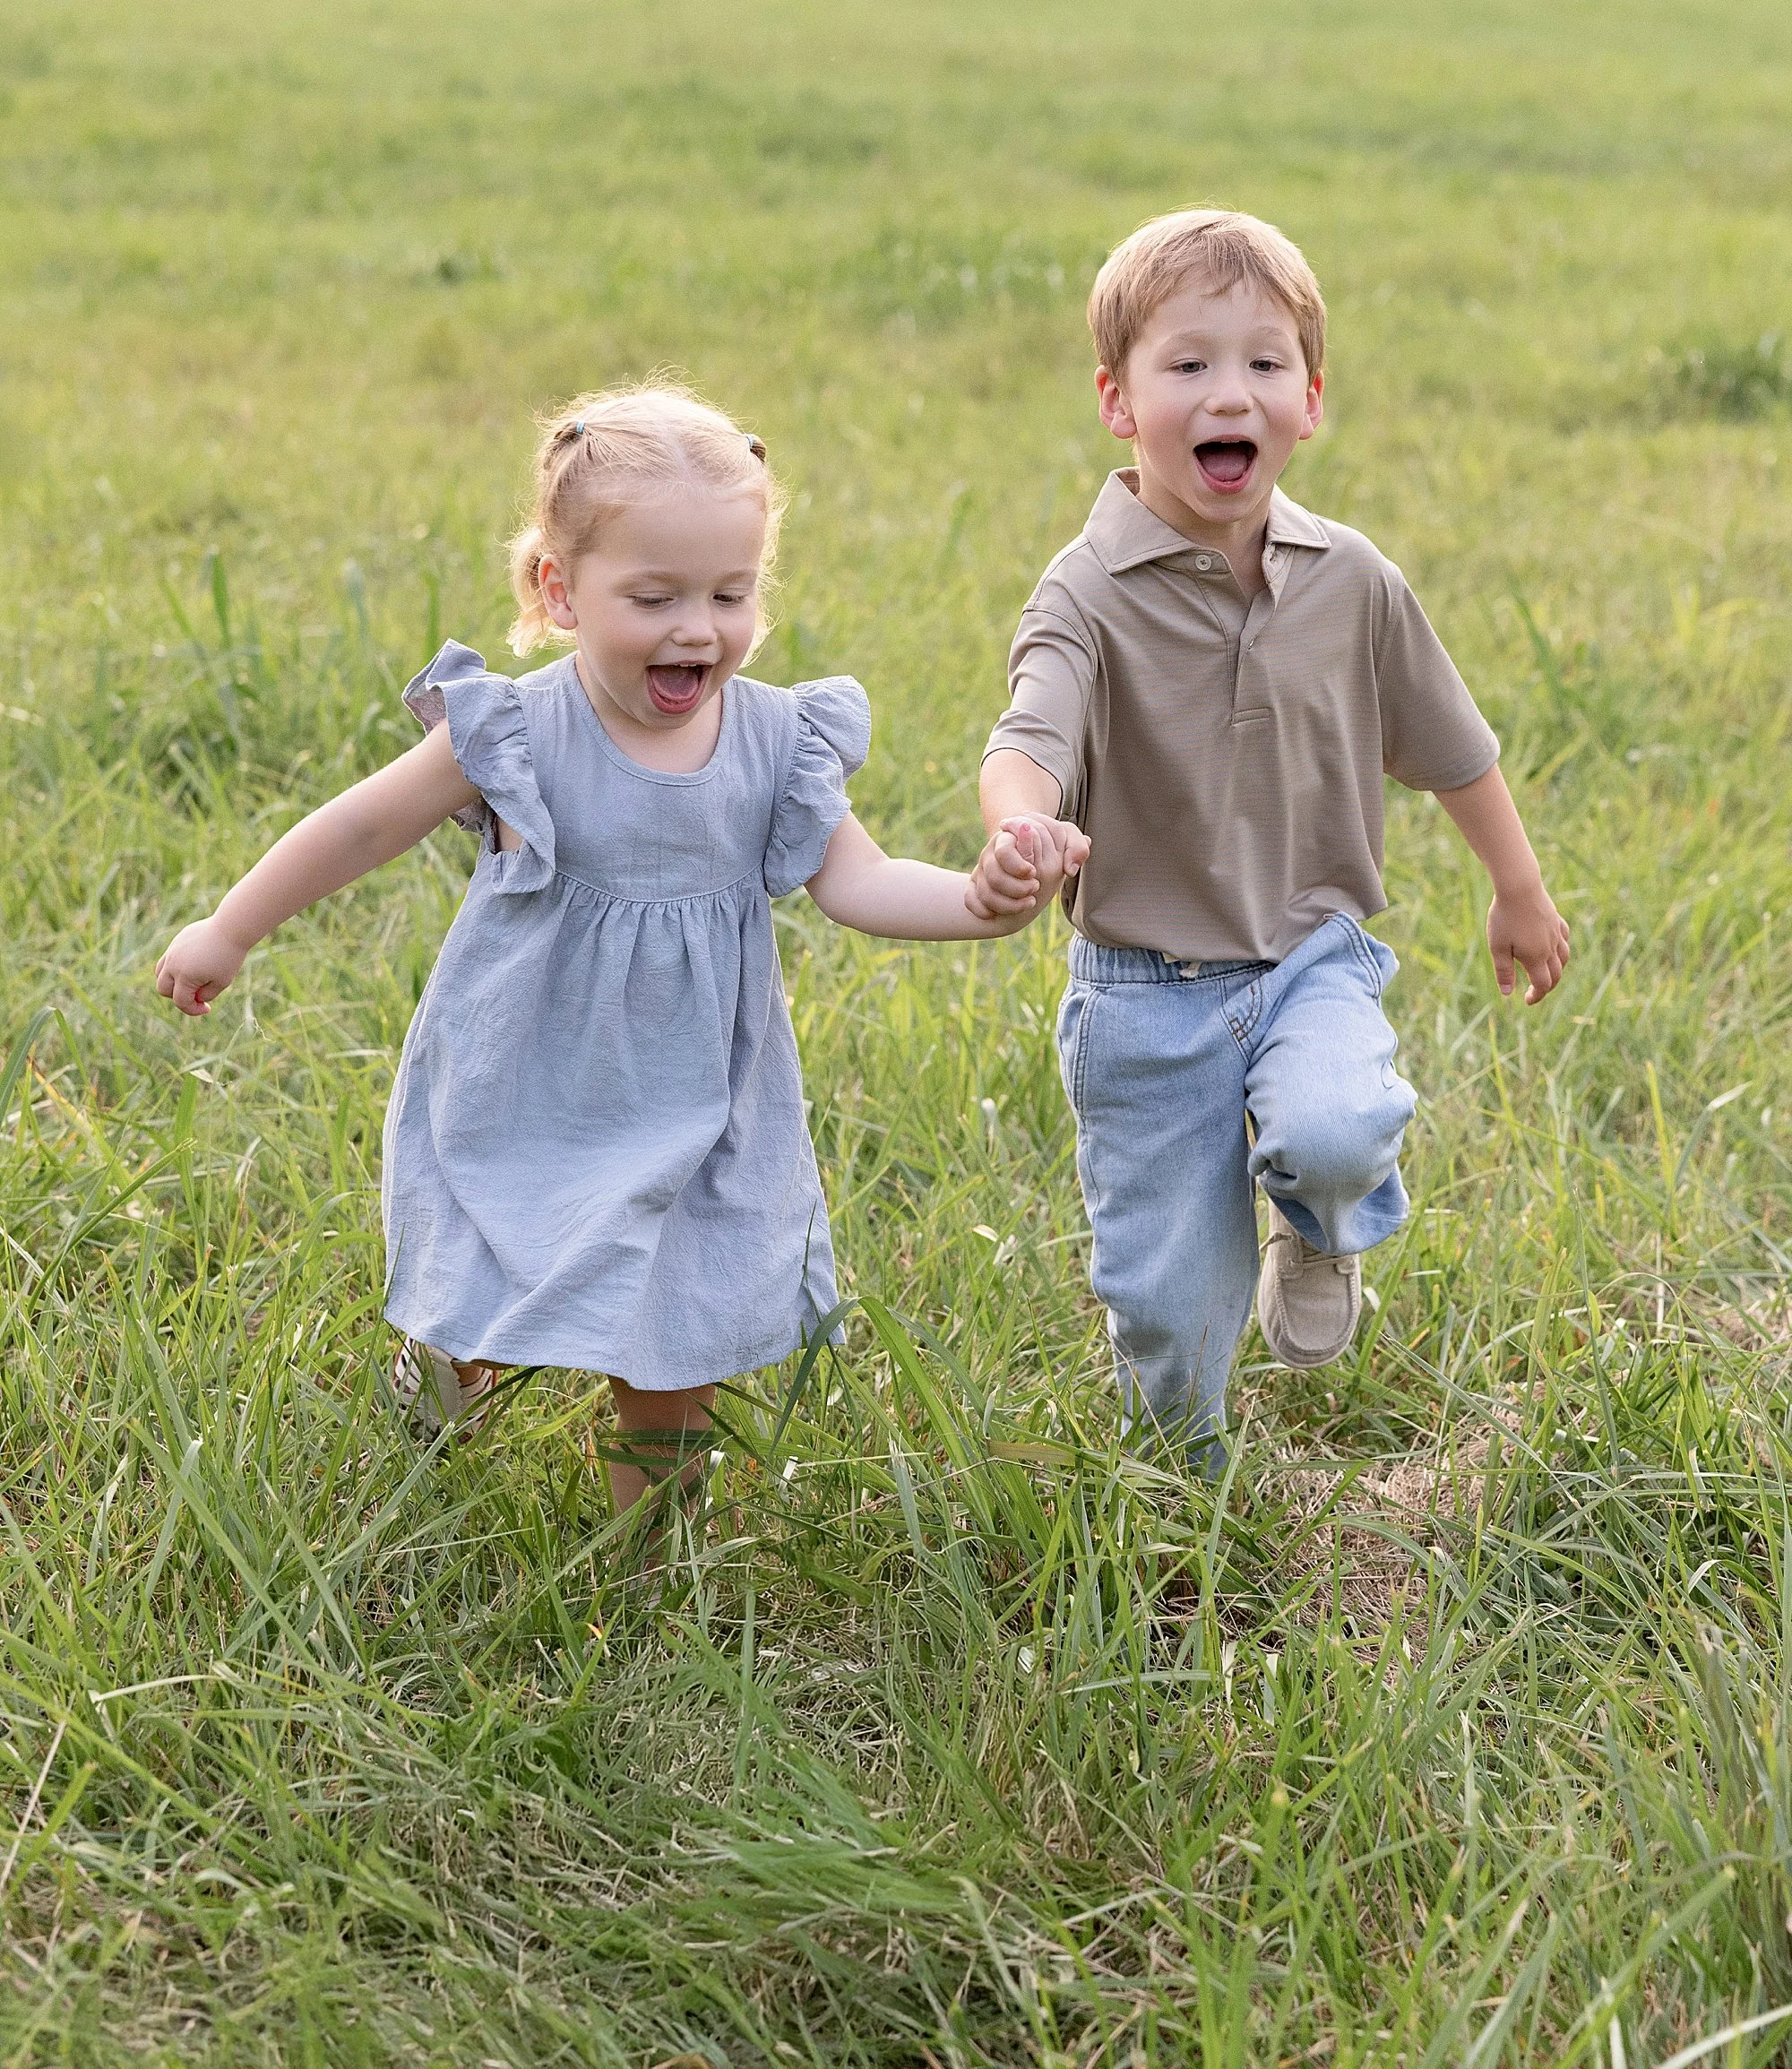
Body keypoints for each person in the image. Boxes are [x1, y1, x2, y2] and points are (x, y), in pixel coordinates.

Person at [157, 384, 1084, 1515]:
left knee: (673, 1335)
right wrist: (231, 926)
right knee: (496, 1281)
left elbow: (862, 879)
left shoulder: (773, 739)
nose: (697, 627)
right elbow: (359, 823)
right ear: (559, 590)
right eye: (653, 596)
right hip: (531, 1074)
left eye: (729, 594)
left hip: (699, 1098)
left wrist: (981, 899)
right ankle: (452, 1368)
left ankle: (645, 1559)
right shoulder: (514, 731)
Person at [969, 208, 1570, 1461]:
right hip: (1143, 991)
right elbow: (1029, 732)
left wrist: (1517, 886)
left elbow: (1455, 746)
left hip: (1311, 954)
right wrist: (1022, 828)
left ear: (1310, 398)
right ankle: (1185, 1486)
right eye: (1186, 364)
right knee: (1165, 1305)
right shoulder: (1086, 586)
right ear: (1118, 402)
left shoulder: (1354, 579)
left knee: (1338, 1129)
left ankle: (1316, 1222)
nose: (1225, 390)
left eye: (1261, 362)